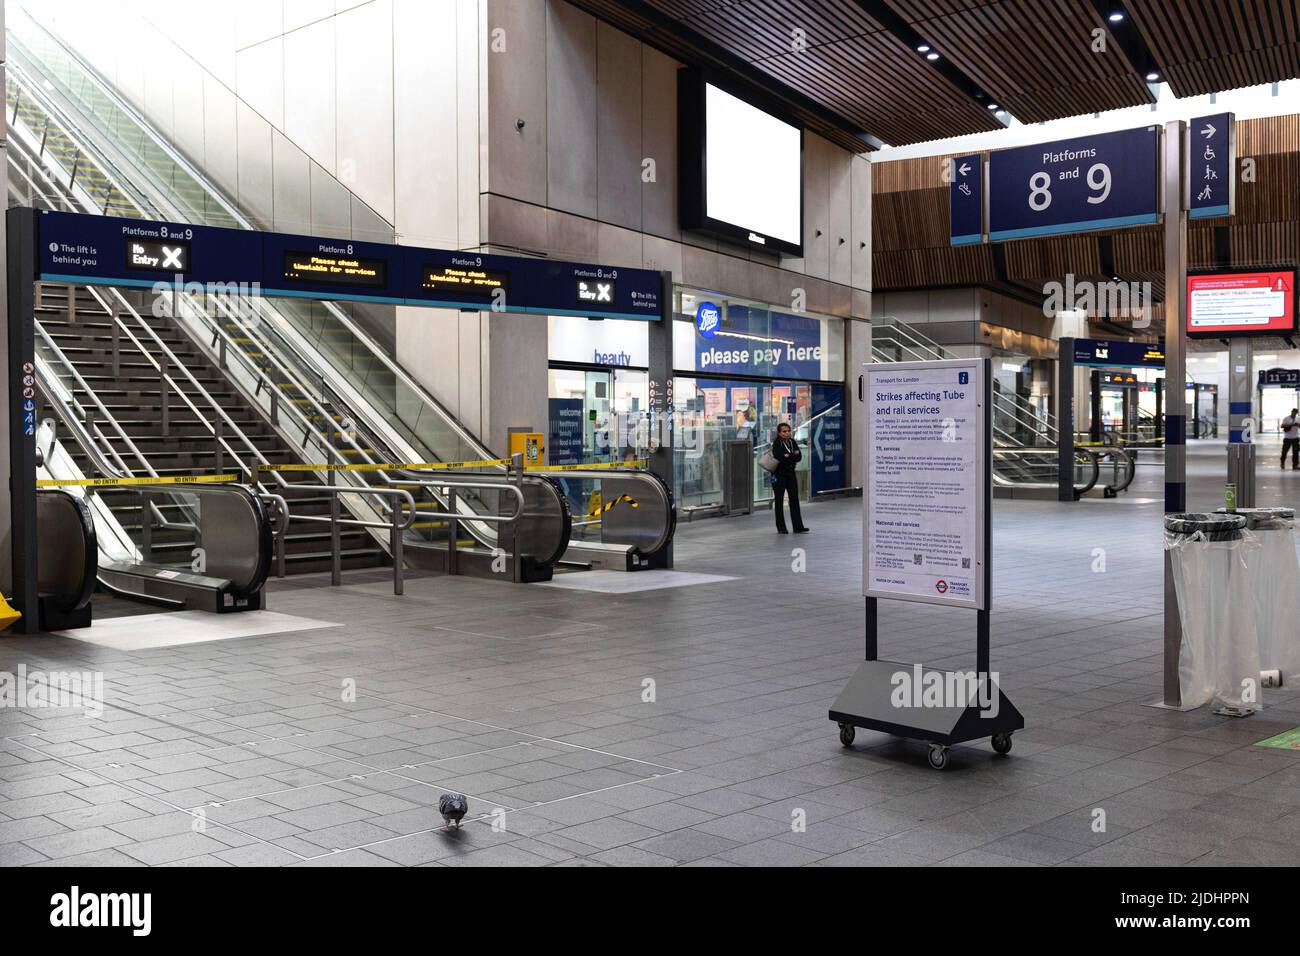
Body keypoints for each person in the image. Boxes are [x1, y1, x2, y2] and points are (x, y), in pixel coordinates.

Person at [771, 422, 808, 534]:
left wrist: (789, 456)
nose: (787, 433)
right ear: (779, 433)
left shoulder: (792, 442)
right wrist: (792, 456)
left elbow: (799, 456)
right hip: (779, 474)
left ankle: (798, 526)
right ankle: (781, 527)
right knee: (779, 500)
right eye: (784, 431)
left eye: (788, 431)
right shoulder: (777, 443)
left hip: (791, 473)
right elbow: (780, 457)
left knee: (794, 499)